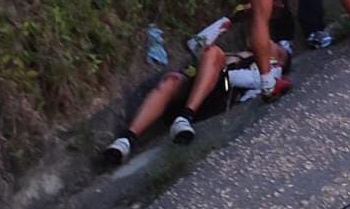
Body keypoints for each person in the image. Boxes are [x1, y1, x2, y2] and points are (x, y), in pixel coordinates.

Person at [104, 25, 291, 165]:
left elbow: (249, 80)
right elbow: (196, 43)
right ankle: (126, 140)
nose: (269, 40)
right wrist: (224, 23)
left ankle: (185, 117)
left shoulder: (271, 69)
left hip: (224, 91)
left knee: (214, 53)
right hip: (204, 85)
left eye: (275, 45)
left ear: (278, 59)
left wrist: (217, 66)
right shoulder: (242, 52)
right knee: (172, 80)